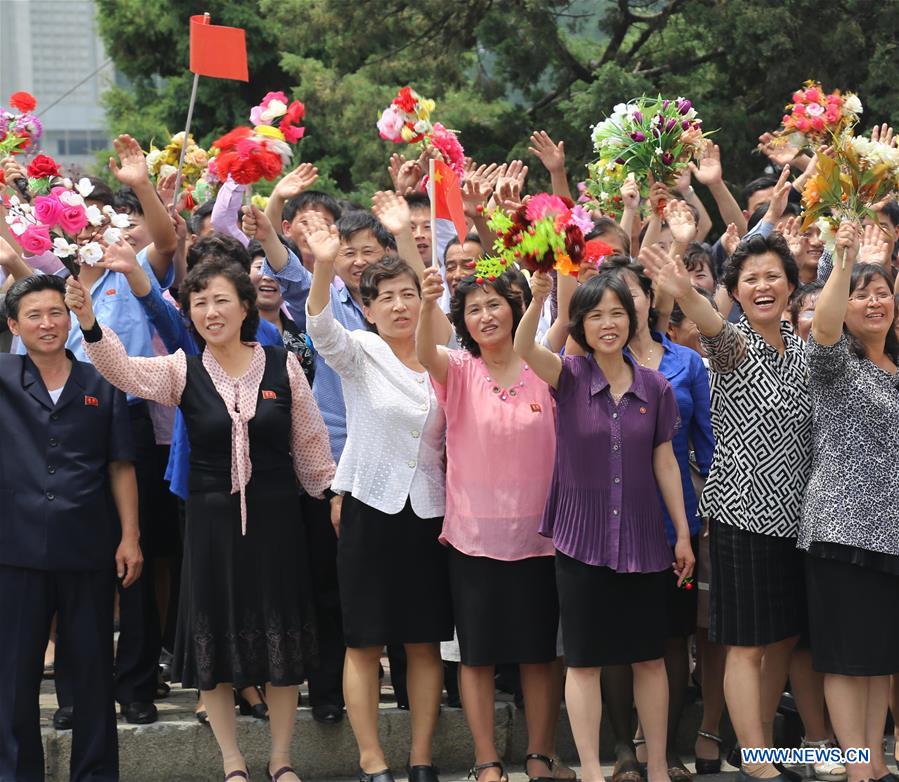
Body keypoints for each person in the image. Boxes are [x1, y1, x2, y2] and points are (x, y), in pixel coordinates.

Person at [65, 255, 335, 782]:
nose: (211, 311)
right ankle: (232, 762)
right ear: (188, 312)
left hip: (279, 522)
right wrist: (89, 322)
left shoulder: (283, 365)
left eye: (221, 300)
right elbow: (121, 370)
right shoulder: (182, 369)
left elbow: (310, 443)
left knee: (281, 638)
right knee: (214, 638)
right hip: (210, 525)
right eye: (199, 303)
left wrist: (333, 497)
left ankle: (281, 759)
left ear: (244, 307)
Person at [514, 270, 695, 782]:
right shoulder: (568, 376)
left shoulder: (655, 387)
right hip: (580, 540)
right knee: (585, 661)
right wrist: (537, 300)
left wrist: (680, 531)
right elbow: (524, 346)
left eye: (617, 312)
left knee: (649, 659)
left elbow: (665, 462)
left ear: (633, 317)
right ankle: (591, 769)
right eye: (596, 315)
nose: (608, 323)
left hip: (643, 539)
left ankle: (657, 765)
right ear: (582, 325)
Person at [643, 232, 811, 782]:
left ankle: (756, 744)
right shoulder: (733, 344)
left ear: (791, 284)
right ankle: (761, 764)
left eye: (773, 276)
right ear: (735, 290)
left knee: (783, 638)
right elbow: (707, 322)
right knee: (744, 643)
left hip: (798, 521)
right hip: (742, 516)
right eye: (751, 278)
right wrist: (685, 292)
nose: (763, 286)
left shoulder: (806, 348)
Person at [303, 218, 453, 782]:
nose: (397, 306)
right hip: (369, 508)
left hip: (430, 514)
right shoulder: (360, 351)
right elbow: (319, 327)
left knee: (422, 641)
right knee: (365, 641)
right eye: (384, 298)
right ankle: (372, 760)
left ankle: (420, 757)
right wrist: (322, 263)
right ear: (367, 310)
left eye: (407, 295)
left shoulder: (445, 358)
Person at [416, 267, 563, 782]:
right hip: (473, 539)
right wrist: (427, 301)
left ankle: (540, 756)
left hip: (540, 539)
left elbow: (562, 321)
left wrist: (550, 287)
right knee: (475, 657)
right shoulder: (456, 368)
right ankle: (487, 761)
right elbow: (424, 353)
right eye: (474, 309)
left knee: (538, 656)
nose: (485, 316)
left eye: (495, 304)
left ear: (516, 307)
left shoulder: (541, 366)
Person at [0, 274, 141, 782]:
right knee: (14, 677)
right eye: (33, 315)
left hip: (88, 547)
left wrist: (130, 536)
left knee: (92, 673)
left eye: (56, 312)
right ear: (14, 325)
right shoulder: (2, 374)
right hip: (14, 550)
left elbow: (120, 465)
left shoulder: (100, 382)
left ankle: (96, 773)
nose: (47, 323)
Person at [587, 255, 713, 782]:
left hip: (672, 522)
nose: (621, 308)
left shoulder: (686, 363)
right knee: (617, 638)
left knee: (670, 638)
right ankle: (621, 750)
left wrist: (699, 520)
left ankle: (664, 751)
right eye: (607, 301)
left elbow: (707, 444)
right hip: (608, 524)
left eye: (631, 294)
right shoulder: (587, 366)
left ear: (648, 299)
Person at [799, 221, 899, 782]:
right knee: (846, 658)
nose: (874, 301)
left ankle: (877, 764)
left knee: (878, 658)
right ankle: (859, 768)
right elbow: (826, 325)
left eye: (882, 291)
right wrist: (843, 262)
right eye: (863, 294)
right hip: (843, 529)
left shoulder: (897, 368)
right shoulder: (836, 365)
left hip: (892, 534)